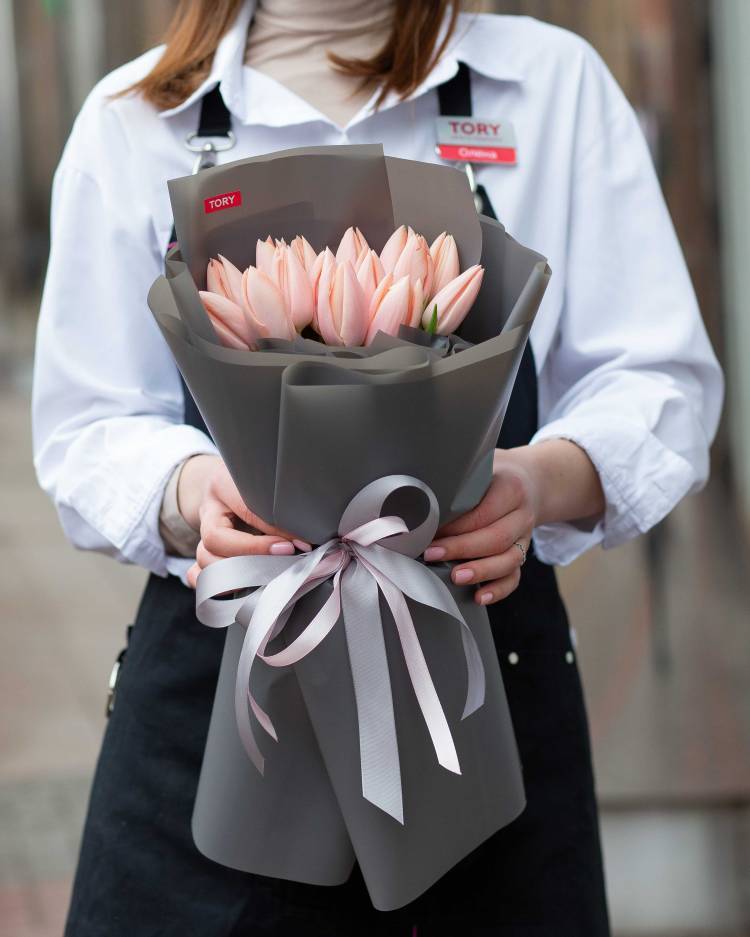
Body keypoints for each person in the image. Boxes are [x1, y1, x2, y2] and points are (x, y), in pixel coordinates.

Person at [31, 1, 723, 934]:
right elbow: (86, 422)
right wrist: (193, 491)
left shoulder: (550, 85)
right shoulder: (137, 117)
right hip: (219, 700)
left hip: (486, 694)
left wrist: (543, 479)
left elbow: (657, 378)